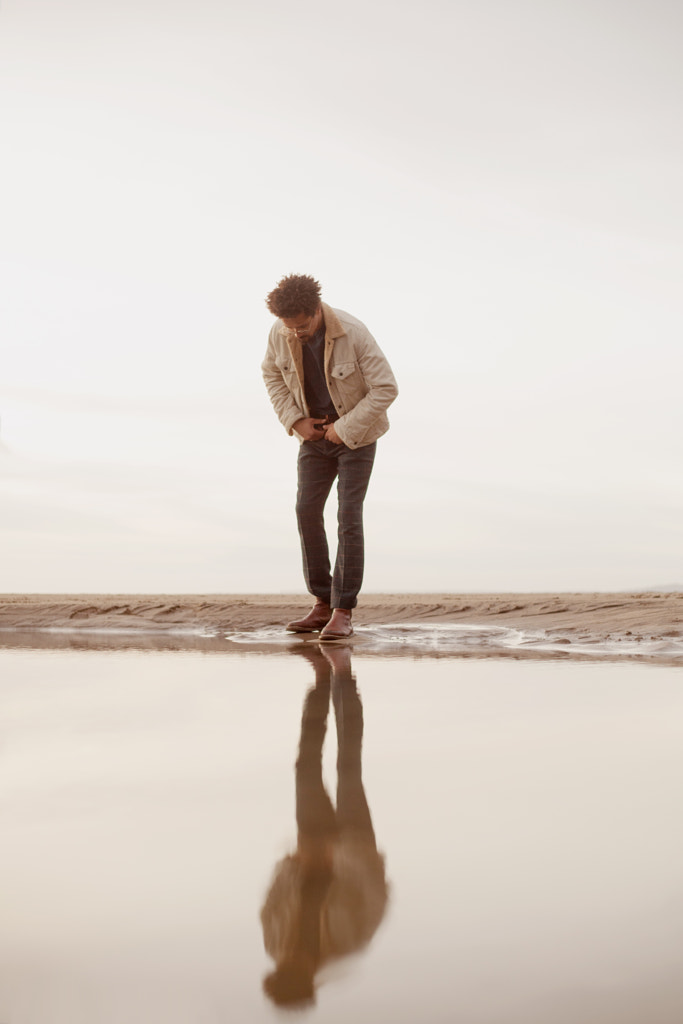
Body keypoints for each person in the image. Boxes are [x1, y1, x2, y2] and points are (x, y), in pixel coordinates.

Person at [262, 274, 398, 640]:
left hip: (357, 437)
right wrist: (295, 421)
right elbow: (271, 374)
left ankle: (343, 610)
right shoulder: (281, 331)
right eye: (289, 327)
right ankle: (322, 603)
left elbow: (387, 388)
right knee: (306, 510)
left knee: (348, 516)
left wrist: (345, 428)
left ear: (317, 310)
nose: (295, 334)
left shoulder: (353, 332)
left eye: (302, 326)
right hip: (313, 437)